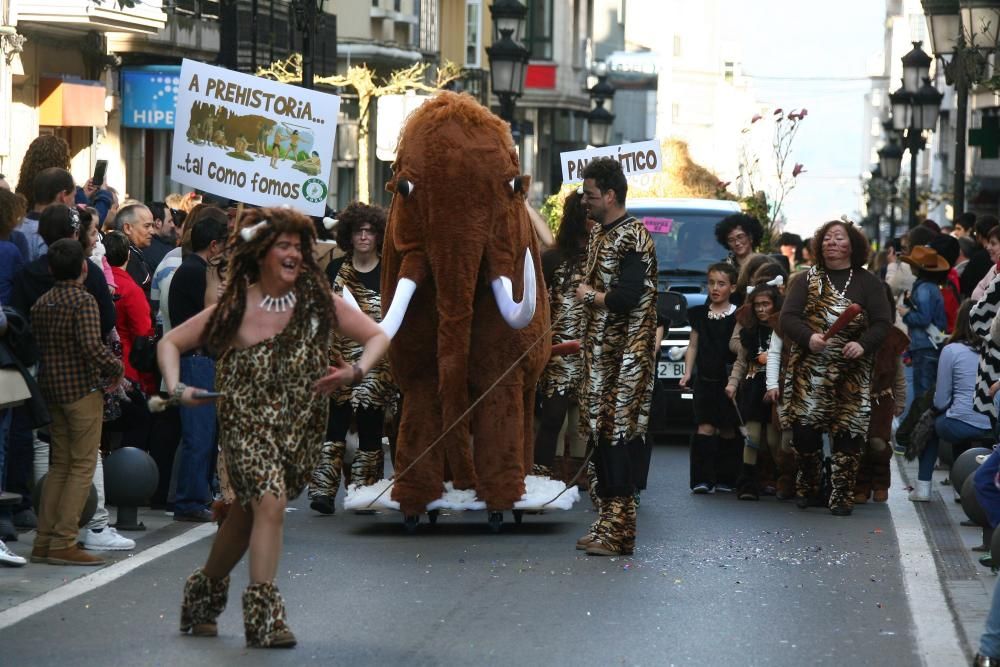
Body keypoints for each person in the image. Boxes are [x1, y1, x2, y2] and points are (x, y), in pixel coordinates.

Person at [160, 207, 389, 647]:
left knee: (247, 517)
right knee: (270, 501)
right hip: (247, 426)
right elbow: (172, 342)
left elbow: (378, 337)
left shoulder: (319, 300)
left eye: (299, 247)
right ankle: (264, 617)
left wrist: (354, 372)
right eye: (283, 245)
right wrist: (175, 387)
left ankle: (203, 595)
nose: (293, 254)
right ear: (263, 253)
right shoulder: (237, 305)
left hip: (299, 432)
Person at [574, 157, 657, 558]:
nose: (584, 201)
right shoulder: (597, 235)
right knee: (599, 435)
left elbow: (626, 297)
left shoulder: (634, 237)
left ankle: (622, 528)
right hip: (598, 353)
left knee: (617, 436)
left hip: (626, 356)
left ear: (610, 195)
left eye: (590, 195)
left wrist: (589, 296)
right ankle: (608, 521)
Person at [779, 220, 891, 516]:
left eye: (838, 238)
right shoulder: (805, 280)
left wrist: (863, 344)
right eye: (827, 238)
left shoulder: (868, 283)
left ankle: (842, 492)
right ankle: (812, 486)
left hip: (851, 370)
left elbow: (883, 322)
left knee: (848, 433)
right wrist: (809, 337)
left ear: (852, 245)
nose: (831, 243)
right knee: (804, 433)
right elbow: (788, 318)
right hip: (810, 368)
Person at [30, 239, 124, 566]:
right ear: (84, 268)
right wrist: (116, 367)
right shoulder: (83, 301)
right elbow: (91, 346)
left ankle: (44, 540)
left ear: (52, 269)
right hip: (82, 390)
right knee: (82, 467)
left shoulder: (42, 302)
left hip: (51, 390)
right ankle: (64, 540)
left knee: (60, 465)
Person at [309, 202, 396, 514]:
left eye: (370, 231)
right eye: (358, 231)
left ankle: (365, 491)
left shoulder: (389, 272)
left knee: (371, 427)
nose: (363, 237)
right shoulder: (334, 270)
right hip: (339, 357)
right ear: (348, 235)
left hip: (376, 363)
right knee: (335, 425)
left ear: (378, 236)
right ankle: (323, 492)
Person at [167, 212, 230, 523]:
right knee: (199, 434)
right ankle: (189, 500)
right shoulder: (196, 272)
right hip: (195, 360)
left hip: (202, 360)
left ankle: (198, 494)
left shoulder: (199, 269)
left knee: (205, 433)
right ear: (215, 245)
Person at [533, 191, 591, 483]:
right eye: (583, 210)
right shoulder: (554, 258)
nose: (588, 217)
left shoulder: (606, 256)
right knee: (553, 415)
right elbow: (537, 302)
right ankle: (543, 473)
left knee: (584, 418)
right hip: (558, 348)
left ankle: (579, 473)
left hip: (593, 348)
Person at [910, 300, 991, 502]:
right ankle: (962, 488)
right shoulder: (994, 351)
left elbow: (940, 400)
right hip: (993, 425)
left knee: (931, 427)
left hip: (959, 423)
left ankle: (923, 487)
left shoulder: (952, 350)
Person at [682, 262, 739, 494]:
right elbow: (693, 346)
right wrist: (687, 372)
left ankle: (726, 478)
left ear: (732, 288)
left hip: (727, 380)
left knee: (727, 428)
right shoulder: (699, 315)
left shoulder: (738, 315)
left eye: (721, 284)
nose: (715, 288)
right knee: (704, 427)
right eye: (711, 283)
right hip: (704, 380)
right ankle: (702, 479)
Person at [726, 277, 783, 501]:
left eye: (766, 304)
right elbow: (741, 361)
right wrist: (732, 384)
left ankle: (782, 478)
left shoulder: (782, 329)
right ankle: (747, 483)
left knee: (773, 439)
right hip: (752, 388)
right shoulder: (749, 333)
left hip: (775, 388)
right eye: (757, 305)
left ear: (774, 304)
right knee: (752, 437)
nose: (761, 309)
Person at [855, 283, 907, 504]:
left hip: (882, 398)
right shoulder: (855, 332)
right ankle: (861, 484)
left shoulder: (893, 336)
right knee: (858, 442)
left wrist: (900, 399)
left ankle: (881, 481)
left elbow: (898, 373)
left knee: (877, 442)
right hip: (856, 397)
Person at [899, 246, 949, 401]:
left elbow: (924, 318)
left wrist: (906, 314)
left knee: (923, 394)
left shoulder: (923, 289)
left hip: (924, 346)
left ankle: (923, 424)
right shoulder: (932, 287)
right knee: (929, 391)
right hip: (932, 344)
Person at [16, 167, 77, 262]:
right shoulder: (57, 233)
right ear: (63, 196)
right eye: (73, 196)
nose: (74, 202)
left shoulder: (14, 227)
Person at [114, 204, 156, 300]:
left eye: (152, 226)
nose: (152, 231)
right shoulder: (127, 257)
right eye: (147, 226)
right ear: (127, 228)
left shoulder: (132, 253)